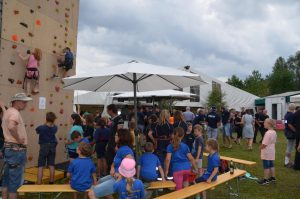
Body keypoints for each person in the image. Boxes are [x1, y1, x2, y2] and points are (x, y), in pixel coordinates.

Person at [88, 129, 134, 199]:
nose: (114, 137)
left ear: (120, 137)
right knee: (99, 181)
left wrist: (121, 175)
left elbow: (131, 164)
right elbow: (115, 161)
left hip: (121, 180)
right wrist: (112, 168)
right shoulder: (120, 148)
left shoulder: (125, 150)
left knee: (91, 193)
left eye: (116, 135)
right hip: (114, 176)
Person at [2, 93, 32, 199]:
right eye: (24, 102)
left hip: (9, 149)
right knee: (14, 184)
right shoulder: (15, 113)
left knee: (5, 180)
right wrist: (19, 139)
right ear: (17, 102)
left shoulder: (8, 112)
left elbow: (8, 122)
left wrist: (2, 106)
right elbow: (11, 126)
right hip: (16, 151)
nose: (26, 104)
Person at [36, 112, 58, 185]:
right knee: (51, 165)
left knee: (41, 165)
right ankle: (51, 181)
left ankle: (39, 183)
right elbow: (53, 127)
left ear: (46, 118)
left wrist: (45, 123)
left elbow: (37, 131)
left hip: (44, 146)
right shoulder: (55, 127)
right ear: (53, 119)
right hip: (52, 146)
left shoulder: (41, 127)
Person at [257, 119, 277, 185]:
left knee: (266, 165)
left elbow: (264, 144)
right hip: (271, 150)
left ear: (269, 124)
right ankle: (273, 177)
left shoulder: (268, 133)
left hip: (267, 151)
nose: (263, 124)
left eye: (265, 123)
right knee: (271, 164)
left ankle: (265, 179)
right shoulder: (274, 132)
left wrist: (260, 148)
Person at [106, 104, 123, 169]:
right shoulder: (112, 119)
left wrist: (117, 144)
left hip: (115, 143)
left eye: (107, 110)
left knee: (114, 159)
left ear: (111, 110)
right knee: (109, 159)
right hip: (110, 142)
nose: (107, 112)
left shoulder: (119, 119)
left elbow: (120, 132)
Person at [284, 103, 297, 168]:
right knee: (290, 147)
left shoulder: (286, 114)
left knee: (290, 147)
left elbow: (286, 123)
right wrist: (296, 131)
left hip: (287, 132)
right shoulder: (291, 115)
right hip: (291, 133)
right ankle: (286, 162)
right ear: (293, 108)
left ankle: (287, 161)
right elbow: (289, 124)